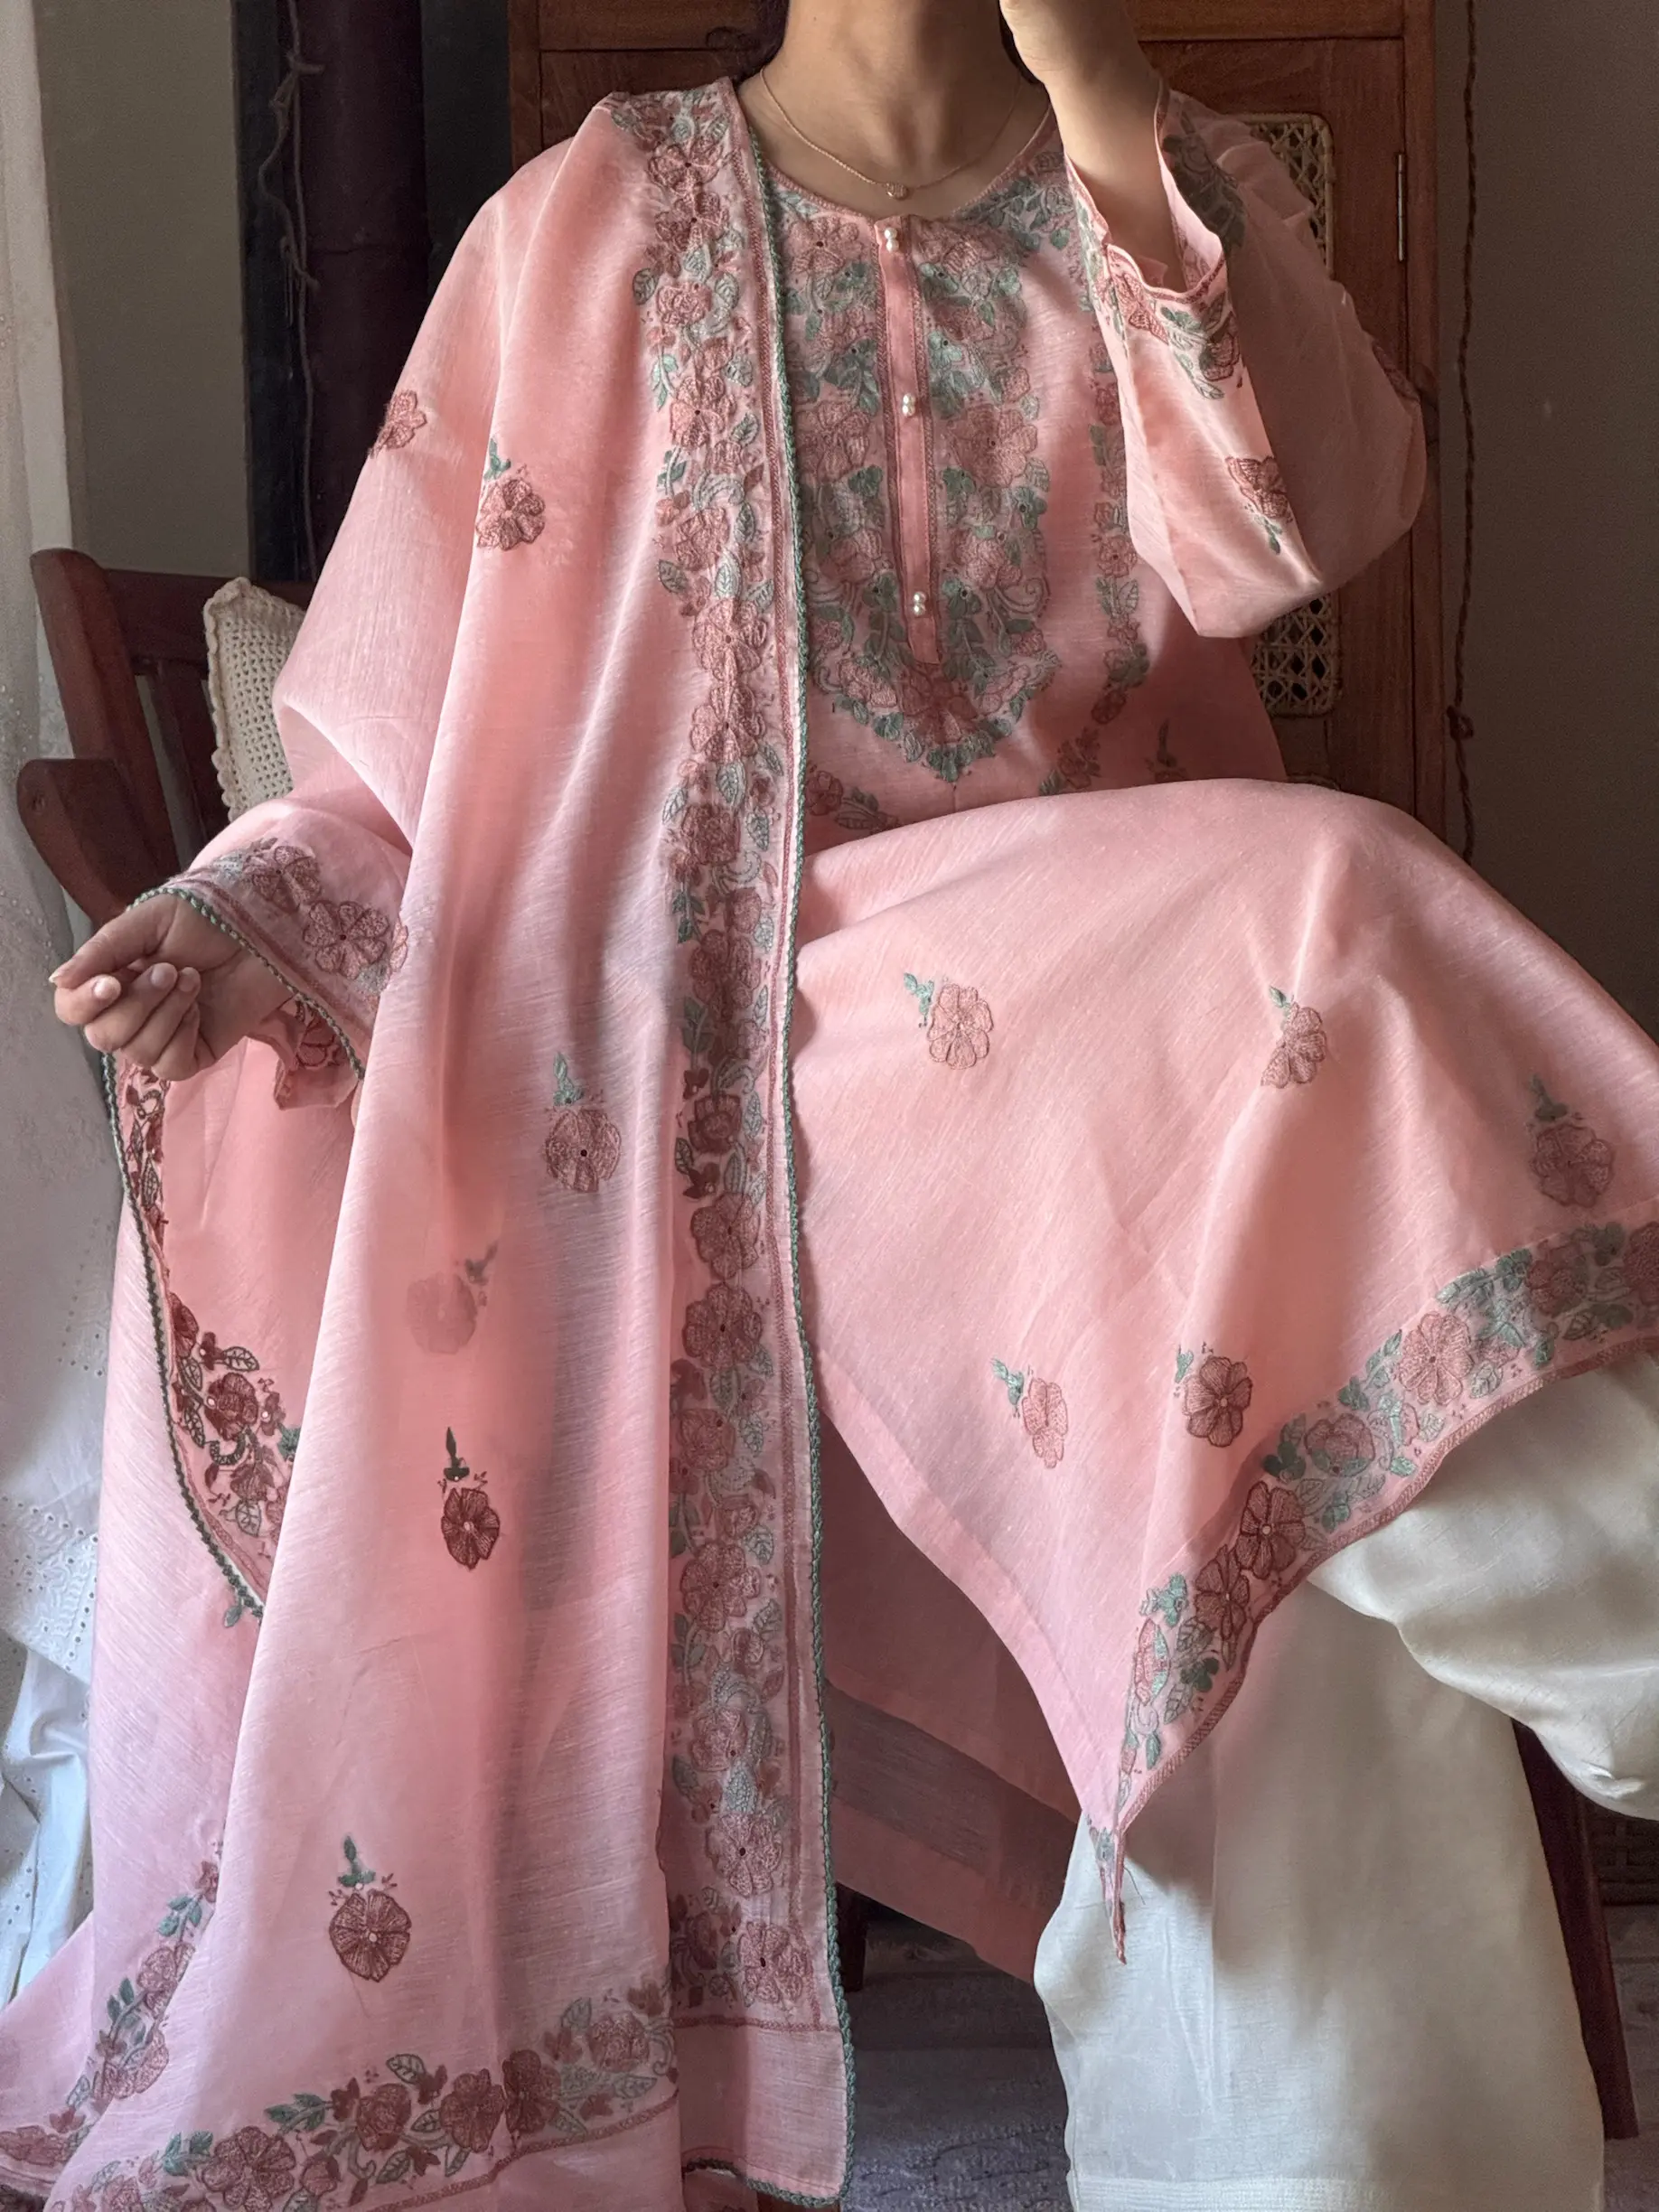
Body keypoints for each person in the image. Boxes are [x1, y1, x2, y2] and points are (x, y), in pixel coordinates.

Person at [8, 1, 1657, 2207]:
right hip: (731, 1043)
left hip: (1114, 1066)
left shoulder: (1161, 188)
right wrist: (237, 918)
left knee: (1281, 1470)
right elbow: (404, 774)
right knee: (1323, 906)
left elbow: (1299, 534)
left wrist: (1101, 100)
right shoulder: (585, 224)